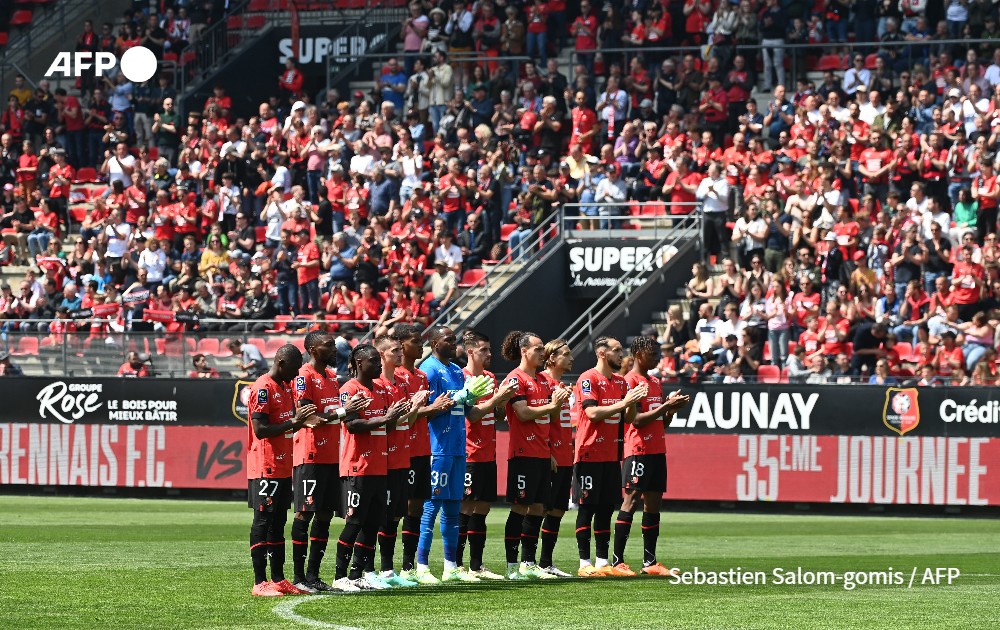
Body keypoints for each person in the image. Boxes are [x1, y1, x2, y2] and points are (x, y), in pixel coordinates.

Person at [289, 332, 369, 593]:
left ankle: (314, 576)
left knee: (324, 515)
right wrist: (345, 411)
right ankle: (299, 577)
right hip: (310, 455)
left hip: (332, 456)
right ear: (313, 348)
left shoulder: (333, 378)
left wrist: (337, 413)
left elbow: (327, 416)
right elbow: (309, 417)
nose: (334, 349)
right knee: (305, 513)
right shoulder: (303, 376)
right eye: (328, 346)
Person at [414, 326, 494, 583]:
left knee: (452, 508)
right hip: (437, 447)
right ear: (434, 342)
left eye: (454, 339)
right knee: (431, 507)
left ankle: (451, 567)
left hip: (459, 447)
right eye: (448, 340)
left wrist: (480, 398)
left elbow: (469, 413)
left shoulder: (457, 371)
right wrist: (458, 397)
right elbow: (427, 410)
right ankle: (422, 566)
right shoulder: (429, 370)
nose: (454, 343)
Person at [333, 344, 412, 591]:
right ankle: (339, 576)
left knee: (372, 523)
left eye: (379, 360)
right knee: (354, 522)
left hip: (380, 466)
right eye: (373, 361)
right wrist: (386, 418)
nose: (379, 365)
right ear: (358, 363)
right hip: (358, 466)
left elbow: (387, 427)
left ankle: (358, 574)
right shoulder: (350, 389)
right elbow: (352, 424)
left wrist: (397, 415)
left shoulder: (380, 390)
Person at [613, 336, 690, 576]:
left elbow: (661, 422)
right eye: (652, 352)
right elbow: (635, 420)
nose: (657, 356)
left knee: (654, 503)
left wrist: (671, 409)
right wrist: (665, 407)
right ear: (638, 354)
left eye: (658, 352)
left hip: (657, 449)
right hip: (638, 450)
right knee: (632, 499)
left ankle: (650, 562)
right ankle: (617, 561)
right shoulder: (630, 381)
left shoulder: (655, 382)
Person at [499, 331, 571, 581]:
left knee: (539, 508)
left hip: (542, 453)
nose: (542, 353)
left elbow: (551, 417)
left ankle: (529, 563)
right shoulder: (515, 379)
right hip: (522, 453)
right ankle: (511, 566)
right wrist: (553, 405)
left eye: (543, 349)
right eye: (538, 349)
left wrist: (561, 399)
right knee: (520, 506)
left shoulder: (544, 380)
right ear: (524, 351)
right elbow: (523, 413)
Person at [246, 344, 317, 597]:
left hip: (283, 465)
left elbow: (286, 426)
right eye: (295, 369)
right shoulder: (263, 388)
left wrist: (299, 423)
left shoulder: (286, 388)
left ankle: (278, 578)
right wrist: (294, 422)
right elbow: (261, 429)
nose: (297, 375)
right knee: (263, 521)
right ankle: (259, 581)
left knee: (278, 523)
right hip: (265, 465)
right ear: (281, 363)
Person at [572, 336, 646, 577]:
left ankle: (602, 562)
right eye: (616, 350)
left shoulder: (621, 383)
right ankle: (584, 563)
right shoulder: (588, 378)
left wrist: (633, 401)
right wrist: (624, 402)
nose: (621, 355)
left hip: (612, 454)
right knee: (587, 508)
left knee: (605, 509)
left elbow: (627, 418)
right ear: (602, 353)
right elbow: (592, 413)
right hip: (589, 453)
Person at [392, 324, 452, 582]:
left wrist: (443, 404)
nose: (420, 346)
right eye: (415, 341)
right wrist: (433, 407)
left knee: (415, 507)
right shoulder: (392, 376)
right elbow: (403, 414)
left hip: (420, 448)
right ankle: (384, 567)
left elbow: (422, 413)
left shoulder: (420, 376)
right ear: (402, 344)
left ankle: (409, 567)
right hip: (398, 450)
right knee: (395, 509)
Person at [370, 334, 429, 588]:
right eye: (394, 350)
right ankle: (368, 570)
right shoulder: (375, 383)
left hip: (402, 457)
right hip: (382, 457)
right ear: (382, 354)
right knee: (377, 514)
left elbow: (407, 422)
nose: (400, 354)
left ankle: (391, 569)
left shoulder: (402, 383)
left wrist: (414, 407)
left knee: (396, 514)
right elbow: (385, 423)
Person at [457, 330, 516, 579]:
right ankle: (456, 565)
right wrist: (497, 400)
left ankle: (476, 565)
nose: (490, 354)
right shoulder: (462, 377)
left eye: (490, 350)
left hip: (488, 454)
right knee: (465, 507)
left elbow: (496, 416)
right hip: (469, 453)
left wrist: (502, 404)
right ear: (470, 351)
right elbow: (472, 415)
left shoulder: (491, 377)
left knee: (483, 508)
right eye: (484, 350)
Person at [536, 339, 575, 577]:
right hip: (550, 455)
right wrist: (548, 450)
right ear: (552, 358)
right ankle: (525, 561)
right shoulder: (544, 384)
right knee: (539, 509)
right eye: (566, 354)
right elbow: (542, 422)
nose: (571, 358)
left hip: (565, 456)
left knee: (558, 509)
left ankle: (545, 562)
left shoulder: (560, 384)